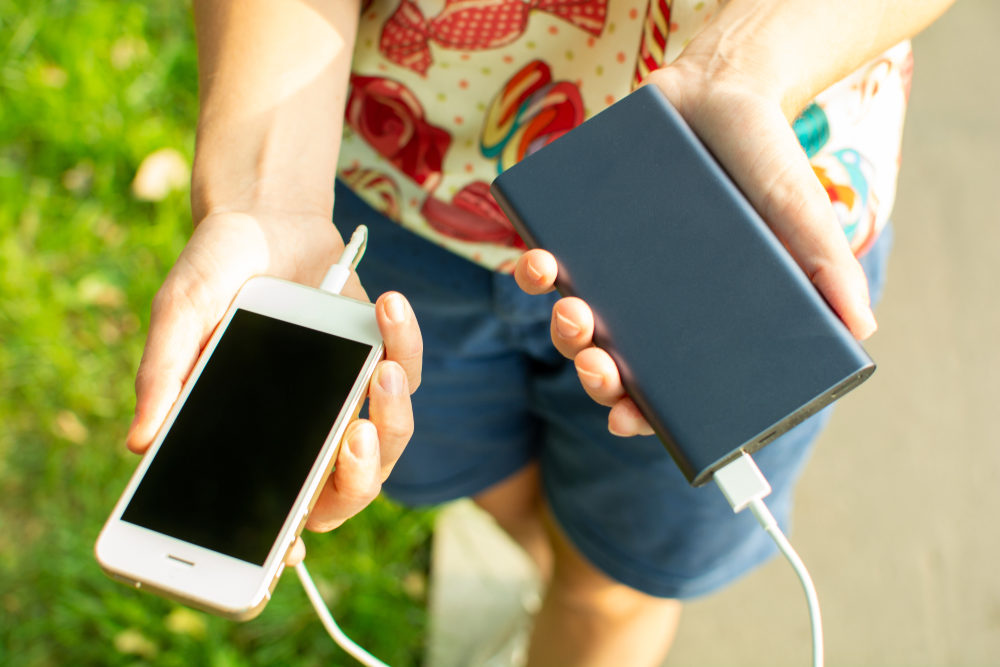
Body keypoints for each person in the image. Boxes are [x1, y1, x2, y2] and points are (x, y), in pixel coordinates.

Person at [125, 0, 954, 664]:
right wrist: (265, 201)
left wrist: (741, 66)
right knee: (467, 474)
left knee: (616, 587)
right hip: (400, 183)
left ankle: (577, 594)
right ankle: (554, 564)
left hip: (736, 199)